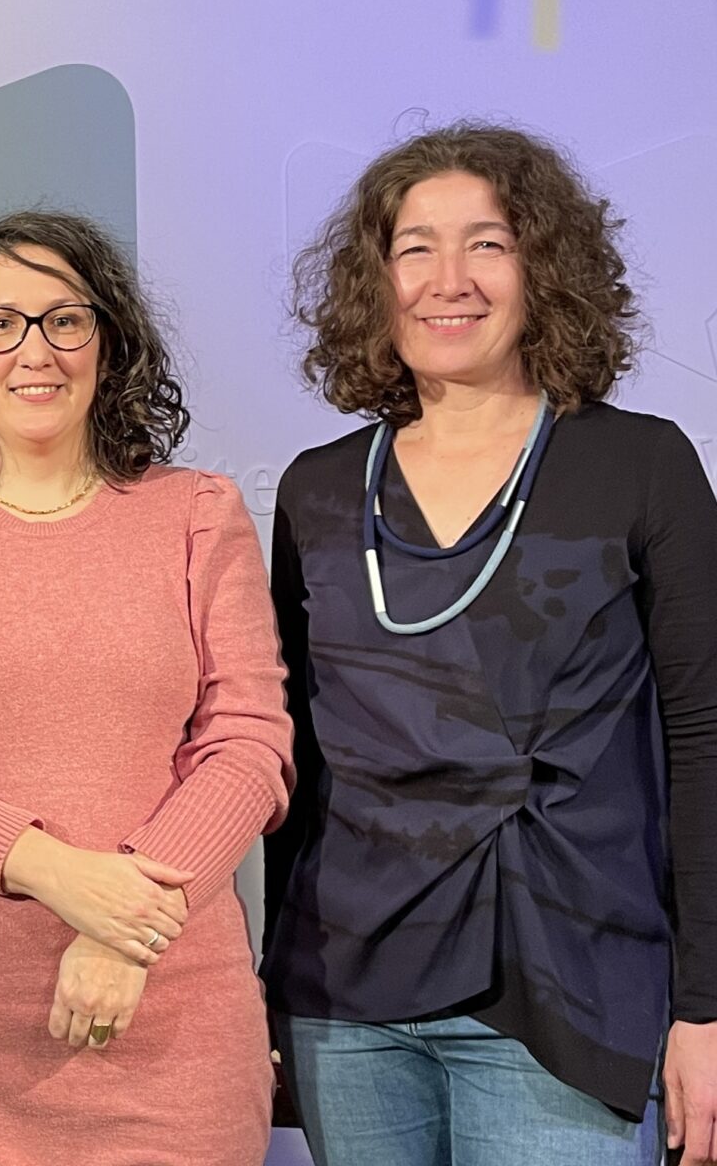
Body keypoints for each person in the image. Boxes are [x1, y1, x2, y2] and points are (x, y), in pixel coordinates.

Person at [263, 121, 717, 1165]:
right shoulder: (318, 490)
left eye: (489, 244)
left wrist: (706, 1007)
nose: (448, 280)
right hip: (346, 1005)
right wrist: (270, 980)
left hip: (570, 992)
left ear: (543, 269)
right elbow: (293, 760)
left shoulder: (641, 466)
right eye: (415, 248)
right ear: (375, 281)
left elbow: (704, 747)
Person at [0, 209, 294, 1164]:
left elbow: (249, 745)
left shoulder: (197, 515)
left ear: (109, 341)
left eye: (65, 320)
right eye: (0, 323)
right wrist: (64, 878)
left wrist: (122, 931)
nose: (35, 351)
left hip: (169, 1008)